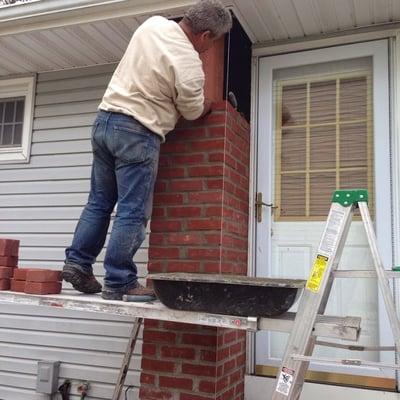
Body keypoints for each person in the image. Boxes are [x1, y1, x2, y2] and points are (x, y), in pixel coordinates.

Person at [62, 0, 233, 300]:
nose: (208, 49)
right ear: (205, 36)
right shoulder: (189, 64)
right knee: (133, 210)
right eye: (212, 41)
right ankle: (119, 281)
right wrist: (209, 105)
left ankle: (78, 264)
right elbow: (193, 110)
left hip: (104, 121)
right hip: (137, 132)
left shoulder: (152, 24)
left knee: (99, 202)